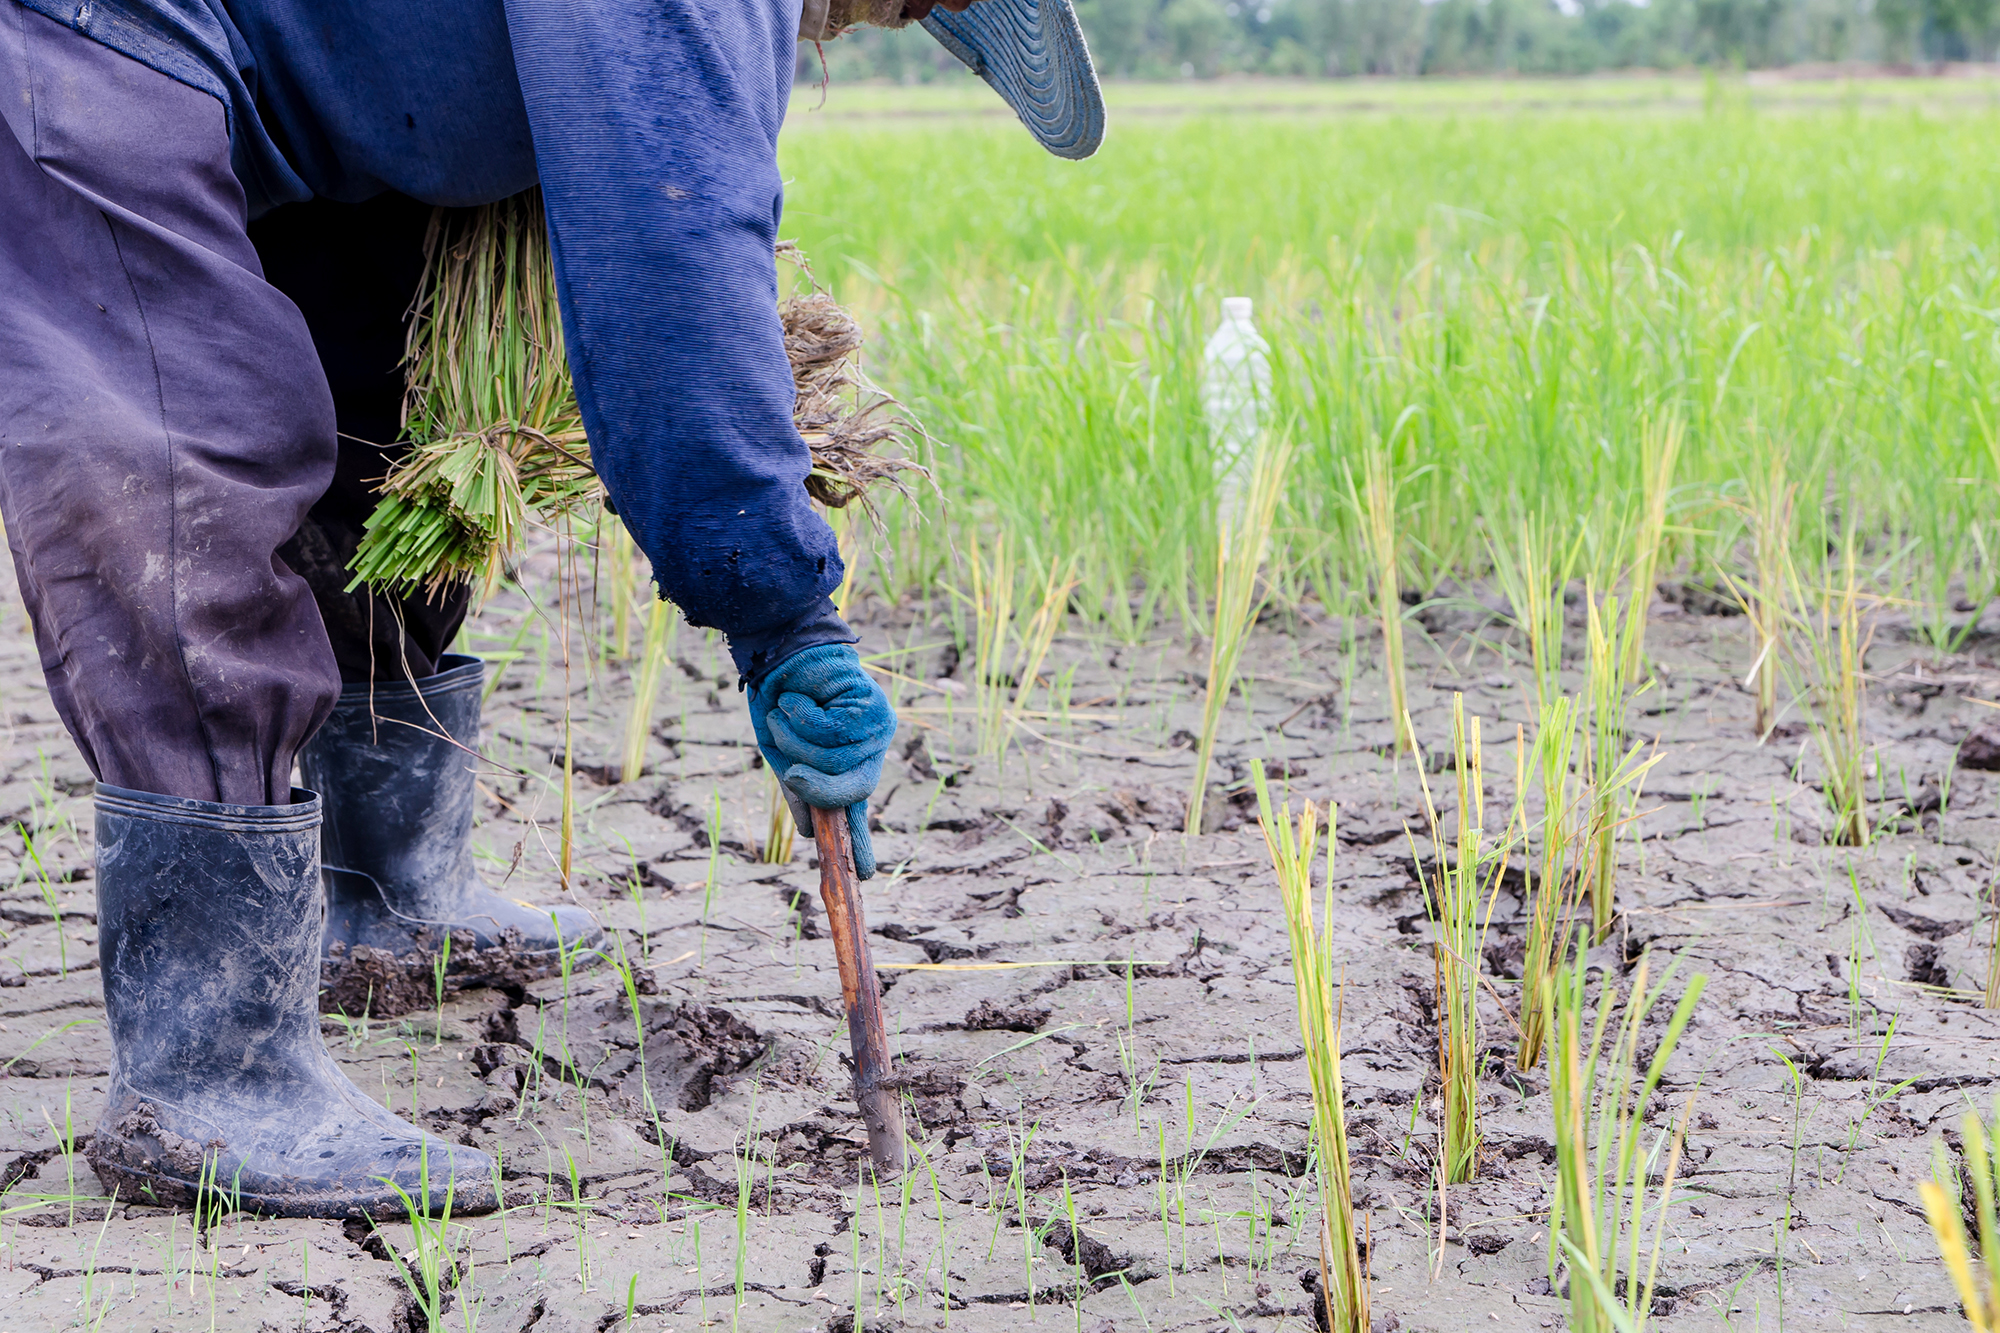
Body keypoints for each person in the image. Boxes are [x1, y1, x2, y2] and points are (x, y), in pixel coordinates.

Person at [0, 0, 1100, 1218]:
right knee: (192, 441)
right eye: (905, 5)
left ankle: (379, 898)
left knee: (378, 419)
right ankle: (207, 1075)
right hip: (86, 45)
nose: (856, 29)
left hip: (298, 113)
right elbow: (668, 248)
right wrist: (783, 614)